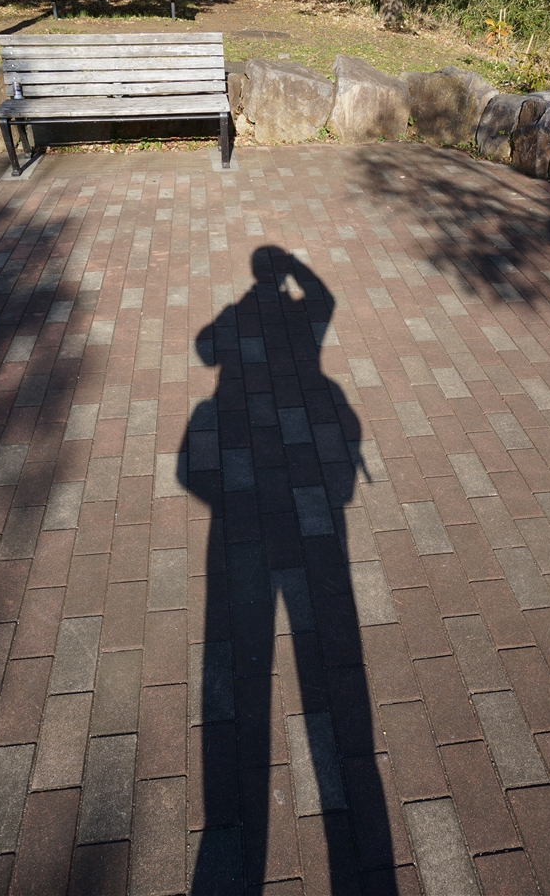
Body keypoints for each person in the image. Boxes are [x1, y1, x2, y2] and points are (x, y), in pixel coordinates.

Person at [180, 245, 398, 894]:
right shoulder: (302, 320)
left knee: (235, 641)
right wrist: (292, 270)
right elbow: (323, 300)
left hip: (238, 515)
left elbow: (203, 349)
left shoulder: (240, 323)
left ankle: (233, 831)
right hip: (318, 505)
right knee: (328, 641)